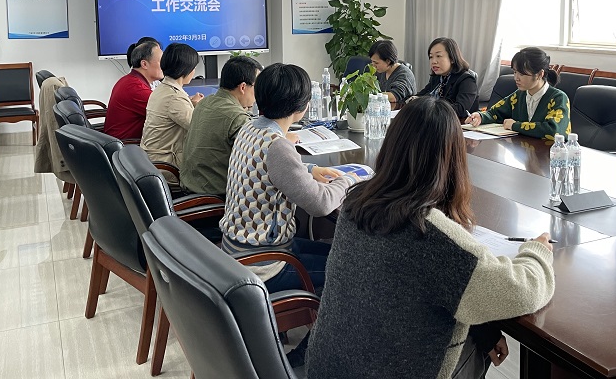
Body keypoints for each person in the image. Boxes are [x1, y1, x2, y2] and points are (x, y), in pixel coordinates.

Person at [307, 98, 555, 379]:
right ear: (453, 159)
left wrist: (483, 330)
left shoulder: (357, 201)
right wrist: (537, 251)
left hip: (327, 368)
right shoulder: (430, 236)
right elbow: (524, 290)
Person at [219, 63, 363, 294]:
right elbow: (321, 203)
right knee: (354, 267)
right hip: (264, 265)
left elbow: (265, 166)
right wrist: (349, 180)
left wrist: (309, 169)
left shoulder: (249, 128)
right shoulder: (278, 146)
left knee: (343, 254)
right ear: (303, 106)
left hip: (241, 251)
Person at [180, 56, 263, 195]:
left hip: (191, 184)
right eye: (257, 87)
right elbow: (258, 157)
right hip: (214, 194)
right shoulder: (236, 117)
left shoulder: (205, 102)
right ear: (243, 87)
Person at [467, 47, 571, 140]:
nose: (516, 78)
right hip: (524, 152)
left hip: (551, 153)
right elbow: (494, 113)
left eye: (522, 74)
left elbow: (553, 131)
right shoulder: (519, 95)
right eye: (515, 72)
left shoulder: (558, 98)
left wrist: (515, 125)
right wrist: (480, 116)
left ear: (540, 74)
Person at [140, 43, 204, 196]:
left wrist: (192, 104)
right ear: (186, 69)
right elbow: (200, 129)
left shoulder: (162, 89)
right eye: (193, 67)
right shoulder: (174, 97)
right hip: (168, 168)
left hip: (152, 161)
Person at [103, 39, 163, 141]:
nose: (165, 65)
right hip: (127, 146)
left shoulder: (129, 80)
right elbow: (168, 112)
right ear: (144, 64)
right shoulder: (136, 88)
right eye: (161, 61)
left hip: (124, 143)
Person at [410, 37, 479, 121]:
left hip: (457, 124)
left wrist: (429, 108)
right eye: (431, 57)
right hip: (435, 121)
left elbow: (460, 110)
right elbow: (422, 95)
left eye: (438, 56)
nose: (433, 61)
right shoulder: (437, 77)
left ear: (452, 58)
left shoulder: (466, 80)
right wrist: (412, 99)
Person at [368, 39, 417, 109]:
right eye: (372, 62)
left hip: (402, 113)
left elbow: (393, 97)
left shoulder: (404, 74)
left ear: (388, 61)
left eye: (376, 63)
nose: (373, 65)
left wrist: (370, 96)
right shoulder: (380, 71)